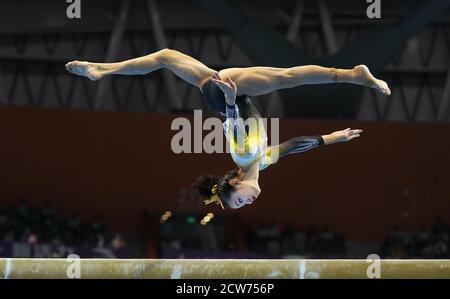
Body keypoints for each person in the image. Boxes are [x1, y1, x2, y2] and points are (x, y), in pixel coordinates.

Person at [66, 48, 390, 209]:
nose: (247, 203)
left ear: (236, 182)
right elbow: (294, 145)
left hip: (226, 91)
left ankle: (353, 75)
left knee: (289, 78)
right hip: (220, 91)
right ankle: (100, 69)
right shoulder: (262, 161)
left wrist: (232, 98)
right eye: (242, 205)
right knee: (164, 56)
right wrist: (335, 137)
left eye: (239, 200)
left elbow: (233, 124)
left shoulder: (244, 152)